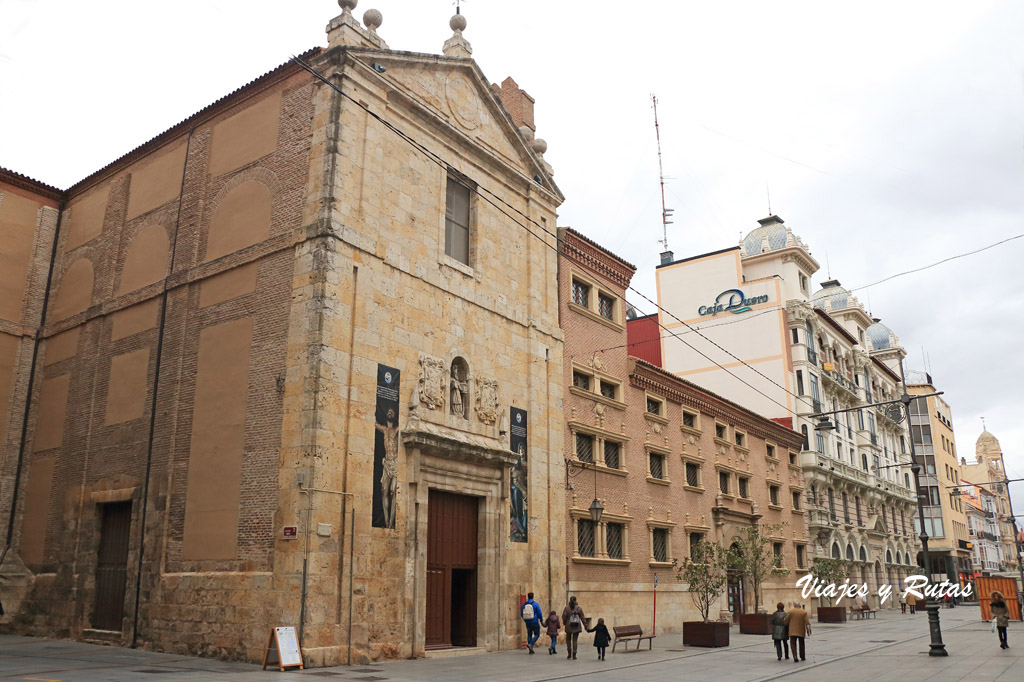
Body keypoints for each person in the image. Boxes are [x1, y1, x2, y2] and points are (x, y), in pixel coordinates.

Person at [562, 596, 586, 660]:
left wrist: (565, 623)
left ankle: (569, 653)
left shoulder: (566, 608)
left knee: (568, 639)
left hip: (568, 625)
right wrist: (585, 625)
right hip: (576, 625)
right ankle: (574, 654)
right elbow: (583, 617)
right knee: (575, 640)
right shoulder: (579, 608)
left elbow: (564, 616)